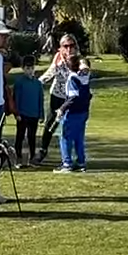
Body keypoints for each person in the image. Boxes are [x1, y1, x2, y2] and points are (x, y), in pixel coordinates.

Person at [34, 34, 79, 163]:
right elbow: (49, 74)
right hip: (57, 96)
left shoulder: (78, 61)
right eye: (66, 46)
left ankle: (71, 156)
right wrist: (35, 83)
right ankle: (43, 150)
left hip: (70, 98)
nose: (69, 49)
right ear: (61, 48)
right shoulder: (58, 60)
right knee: (50, 123)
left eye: (71, 46)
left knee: (69, 125)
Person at [53, 55, 92, 173]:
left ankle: (67, 164)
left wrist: (62, 109)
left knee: (65, 138)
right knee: (79, 138)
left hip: (73, 113)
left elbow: (73, 96)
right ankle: (81, 163)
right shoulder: (86, 77)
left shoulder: (72, 78)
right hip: (84, 112)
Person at [9, 54, 45, 168]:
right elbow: (16, 98)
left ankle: (32, 158)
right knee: (20, 136)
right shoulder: (19, 82)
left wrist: (41, 114)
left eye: (31, 68)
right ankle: (18, 159)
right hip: (22, 114)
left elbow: (40, 99)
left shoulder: (38, 83)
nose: (30, 71)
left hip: (34, 114)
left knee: (32, 137)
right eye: (27, 68)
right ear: (23, 68)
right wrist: (17, 113)